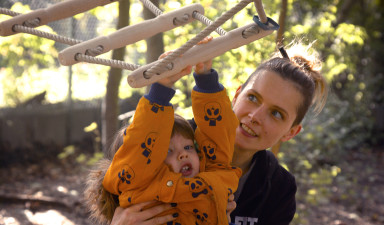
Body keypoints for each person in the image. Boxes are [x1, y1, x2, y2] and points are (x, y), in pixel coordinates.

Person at [85, 41, 328, 225]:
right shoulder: (171, 141)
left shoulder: (278, 188)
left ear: (291, 132)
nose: (255, 116)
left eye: (276, 114)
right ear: (236, 95)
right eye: (253, 98)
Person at [98, 49, 241, 225]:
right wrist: (160, 92)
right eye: (168, 151)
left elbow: (218, 137)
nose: (183, 155)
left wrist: (206, 80)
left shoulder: (212, 174)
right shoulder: (143, 188)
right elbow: (140, 150)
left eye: (188, 147)